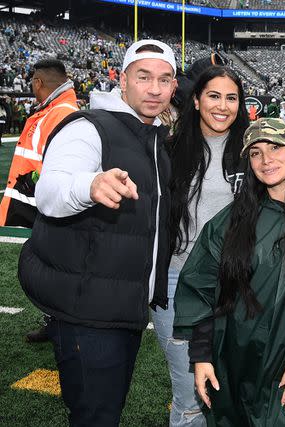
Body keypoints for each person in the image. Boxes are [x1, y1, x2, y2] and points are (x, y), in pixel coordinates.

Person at [18, 40, 178, 426]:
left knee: (105, 411)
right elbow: (51, 192)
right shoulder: (89, 128)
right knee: (95, 416)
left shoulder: (152, 135)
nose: (155, 88)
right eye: (144, 77)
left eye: (165, 79)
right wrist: (88, 186)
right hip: (87, 310)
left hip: (121, 305)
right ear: (122, 81)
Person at [173, 118, 285, 426]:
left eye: (275, 147)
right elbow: (200, 285)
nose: (266, 159)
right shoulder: (232, 220)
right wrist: (202, 355)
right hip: (237, 365)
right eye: (255, 152)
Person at [153, 65, 249, 427]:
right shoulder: (169, 148)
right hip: (180, 280)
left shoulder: (255, 151)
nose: (222, 106)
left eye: (231, 97)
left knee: (234, 388)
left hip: (239, 284)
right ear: (195, 100)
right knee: (190, 396)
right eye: (213, 95)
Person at [0, 59, 78, 228]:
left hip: (32, 214)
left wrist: (28, 183)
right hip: (29, 209)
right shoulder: (54, 111)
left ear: (38, 83)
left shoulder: (60, 113)